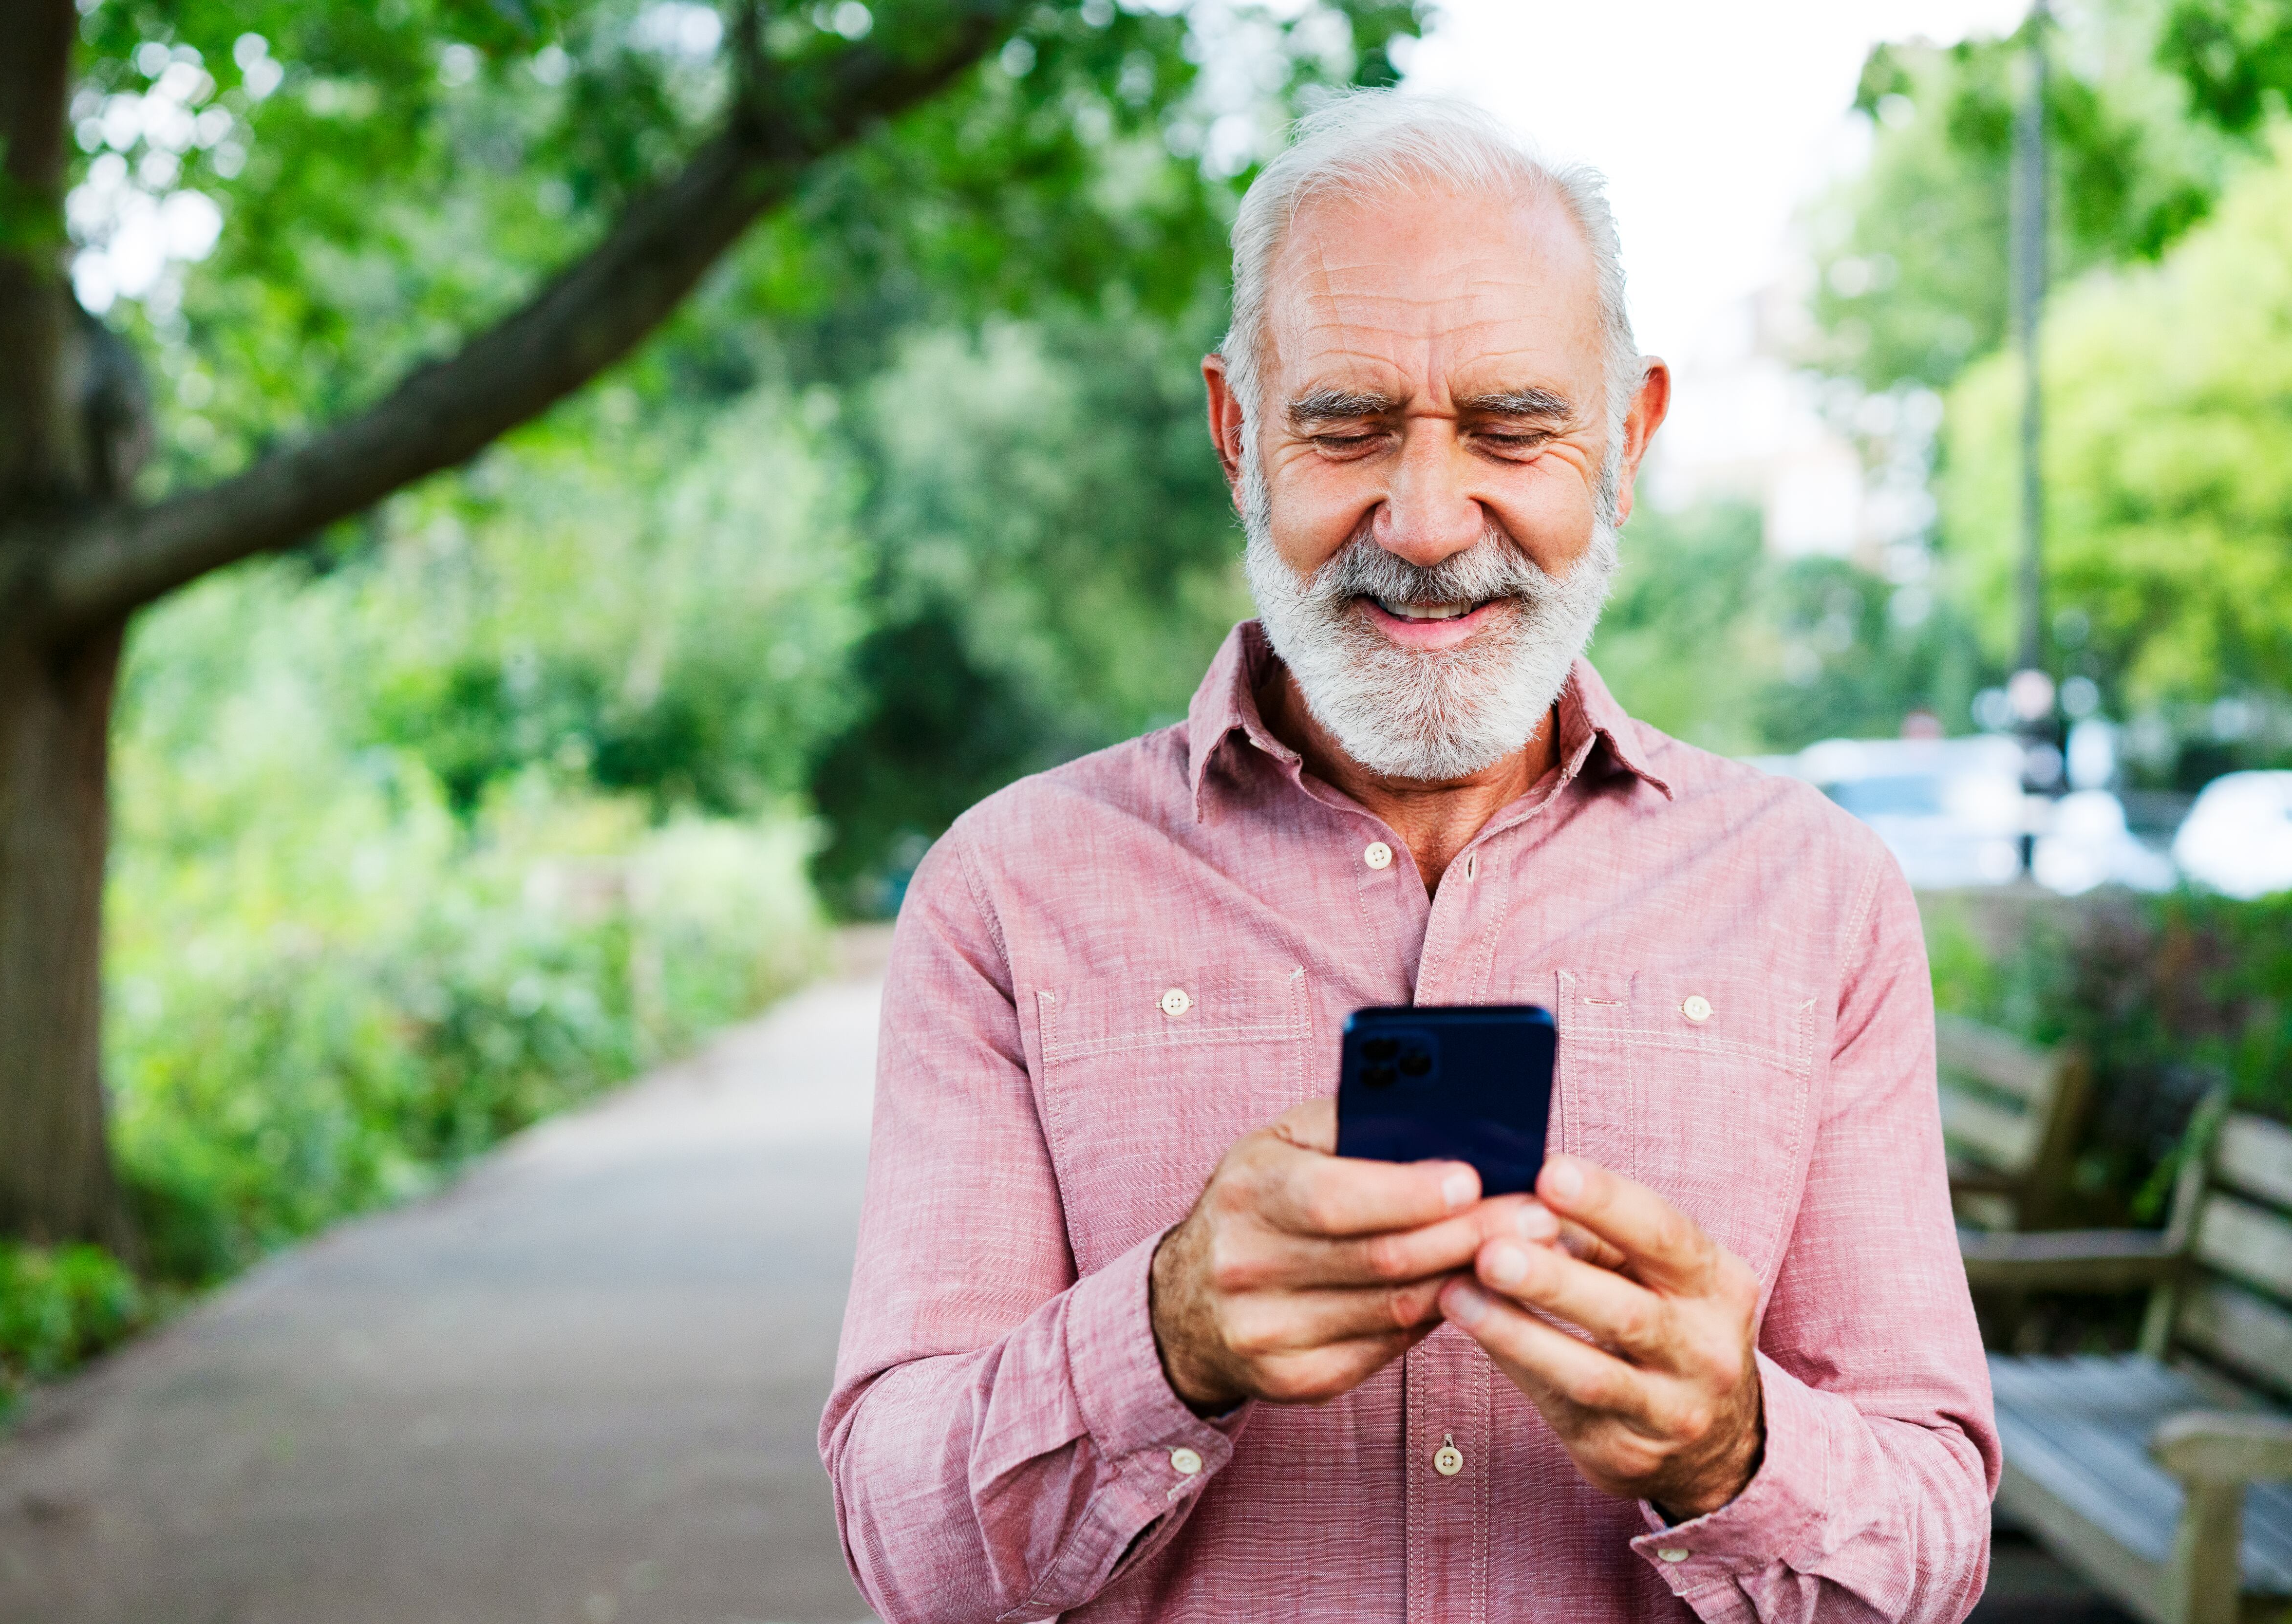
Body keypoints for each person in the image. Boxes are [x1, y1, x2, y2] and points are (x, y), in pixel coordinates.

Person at [820, 90, 1995, 1623]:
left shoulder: (1820, 899)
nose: (1432, 523)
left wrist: (1737, 1447)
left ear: (1627, 438)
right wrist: (1162, 1337)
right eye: (1347, 428)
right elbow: (906, 1553)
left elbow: (1932, 1545)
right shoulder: (1008, 895)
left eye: (1514, 428)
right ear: (1239, 434)